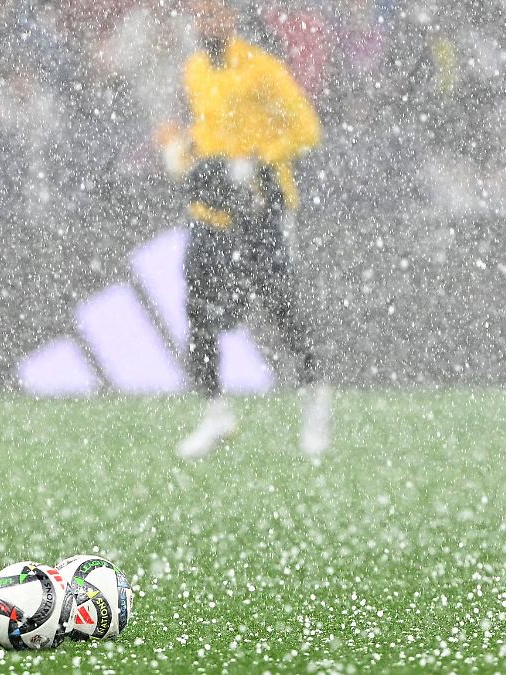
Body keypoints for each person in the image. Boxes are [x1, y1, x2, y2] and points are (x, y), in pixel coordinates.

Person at [173, 1, 331, 461]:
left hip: (261, 205)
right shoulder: (195, 71)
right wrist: (187, 153)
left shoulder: (261, 68)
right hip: (213, 209)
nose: (208, 23)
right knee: (199, 306)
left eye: (216, 14)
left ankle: (314, 395)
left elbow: (306, 128)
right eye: (200, 16)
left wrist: (258, 159)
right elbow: (206, 132)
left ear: (232, 19)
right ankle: (215, 410)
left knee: (279, 304)